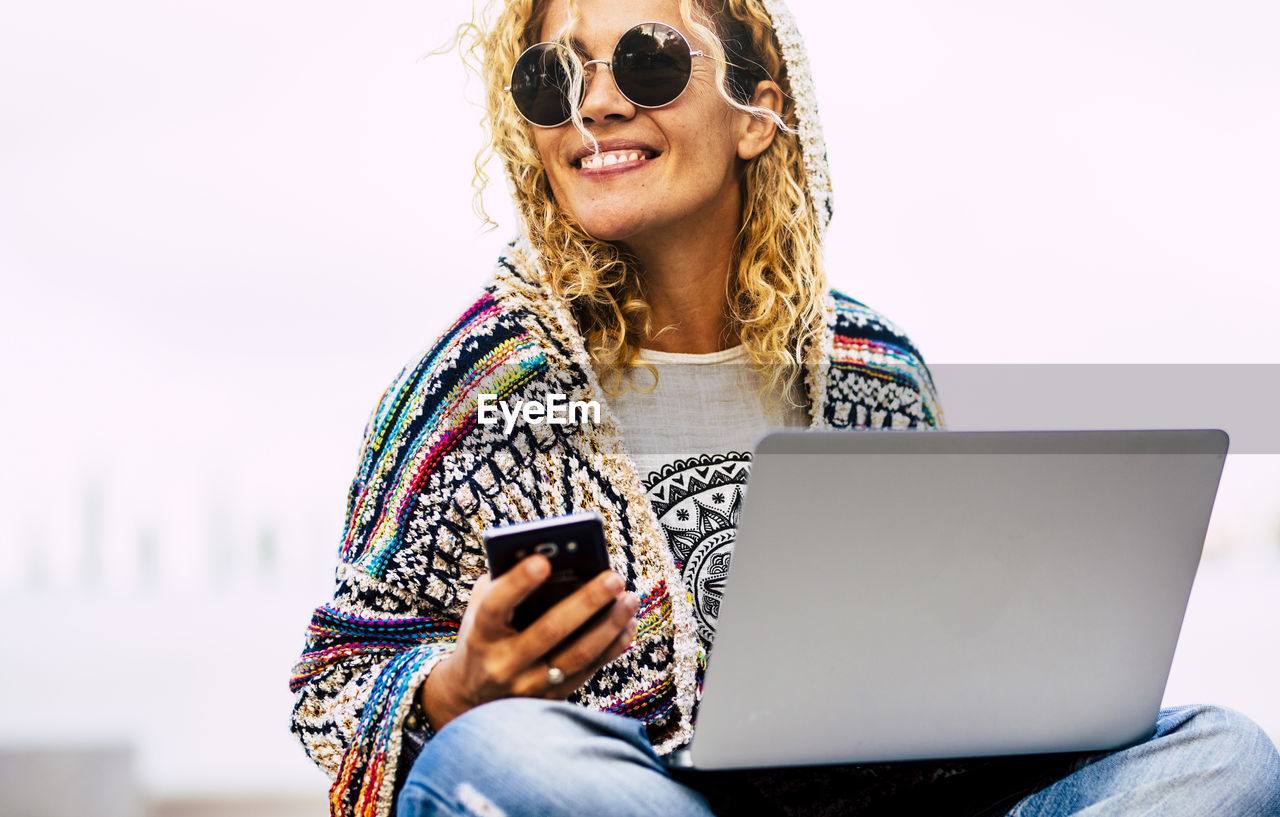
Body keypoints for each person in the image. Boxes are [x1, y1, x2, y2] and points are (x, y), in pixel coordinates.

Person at [289, 1, 1280, 815]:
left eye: (645, 60)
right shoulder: (477, 383)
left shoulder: (874, 366)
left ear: (755, 114)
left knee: (1223, 756)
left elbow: (946, 646)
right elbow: (332, 679)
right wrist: (458, 688)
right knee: (512, 757)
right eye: (551, 78)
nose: (592, 103)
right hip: (636, 804)